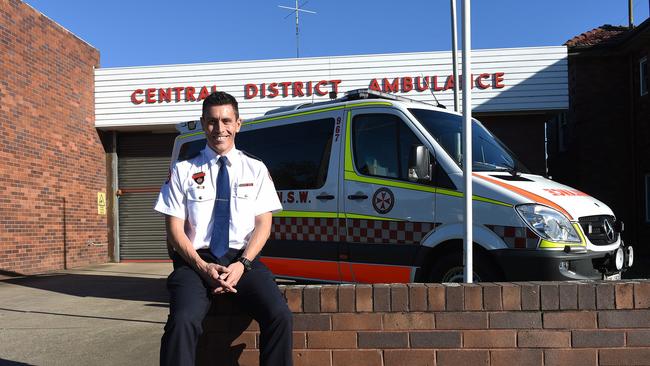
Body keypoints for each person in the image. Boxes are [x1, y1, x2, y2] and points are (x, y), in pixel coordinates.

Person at [154, 91, 293, 366]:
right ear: (203, 123)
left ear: (238, 124)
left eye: (227, 121)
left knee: (280, 316)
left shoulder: (255, 168)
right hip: (194, 263)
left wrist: (242, 264)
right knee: (182, 321)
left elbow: (263, 225)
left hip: (241, 261)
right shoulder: (182, 170)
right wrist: (202, 267)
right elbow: (174, 230)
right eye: (212, 121)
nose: (220, 129)